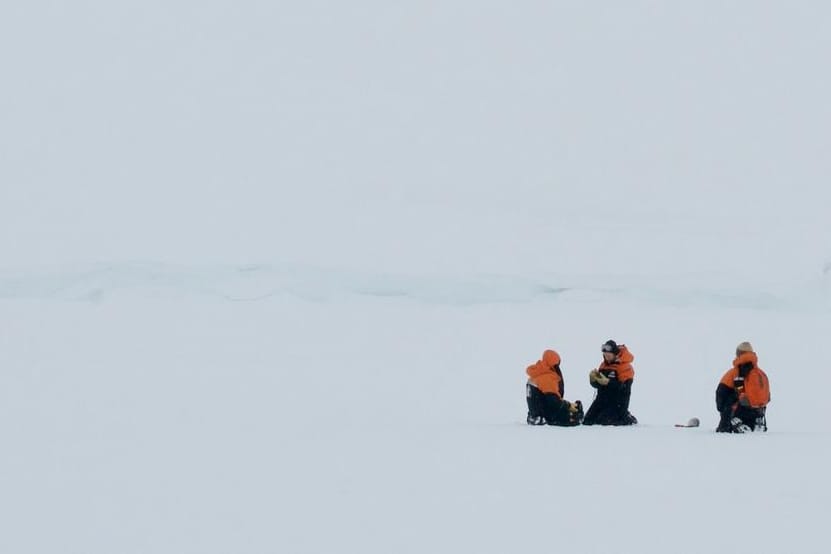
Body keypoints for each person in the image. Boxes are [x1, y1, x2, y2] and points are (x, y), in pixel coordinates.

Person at [716, 342, 770, 433]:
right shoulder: (761, 373)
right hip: (759, 411)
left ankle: (731, 424)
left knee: (730, 399)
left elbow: (721, 393)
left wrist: (722, 411)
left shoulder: (736, 371)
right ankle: (756, 422)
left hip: (741, 409)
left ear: (739, 354)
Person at [583, 340, 638, 426]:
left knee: (605, 422)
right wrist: (593, 380)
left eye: (609, 354)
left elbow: (624, 388)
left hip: (617, 402)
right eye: (605, 354)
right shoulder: (603, 365)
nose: (606, 356)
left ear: (615, 353)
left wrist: (608, 382)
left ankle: (627, 417)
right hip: (601, 400)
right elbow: (599, 386)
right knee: (587, 421)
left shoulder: (624, 367)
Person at [526, 349, 583, 426]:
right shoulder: (548, 377)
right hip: (546, 416)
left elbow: (547, 398)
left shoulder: (537, 374)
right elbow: (553, 401)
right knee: (575, 416)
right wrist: (568, 406)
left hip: (535, 415)